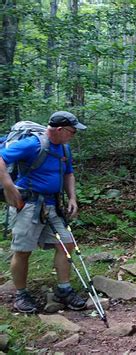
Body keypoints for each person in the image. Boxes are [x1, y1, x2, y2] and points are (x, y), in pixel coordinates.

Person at [0, 111, 87, 313]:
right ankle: (21, 294)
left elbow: (68, 173)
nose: (73, 135)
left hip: (53, 205)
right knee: (23, 250)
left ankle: (63, 290)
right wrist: (7, 185)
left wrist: (72, 197)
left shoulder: (64, 148)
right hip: (28, 205)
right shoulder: (33, 144)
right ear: (59, 129)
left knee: (66, 243)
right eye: (72, 131)